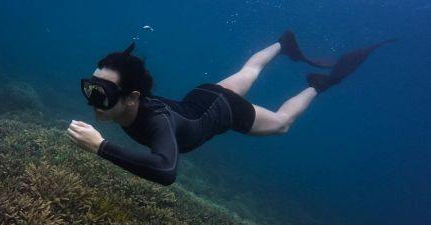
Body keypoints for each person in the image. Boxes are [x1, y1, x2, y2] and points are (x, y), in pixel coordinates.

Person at [67, 31, 394, 186]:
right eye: (90, 89)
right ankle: (283, 43)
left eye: (103, 93)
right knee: (248, 73)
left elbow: (166, 170)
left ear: (132, 98)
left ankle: (319, 84)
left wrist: (101, 147)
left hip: (224, 111)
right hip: (203, 96)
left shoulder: (156, 122)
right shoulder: (133, 104)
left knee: (282, 123)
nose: (92, 100)